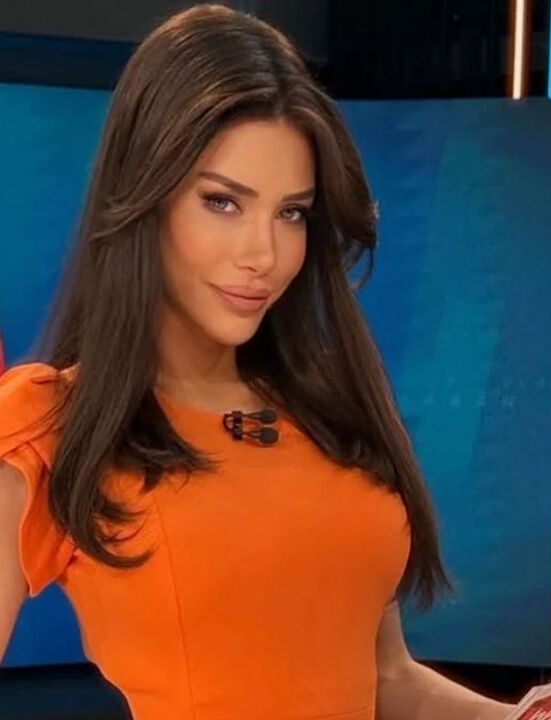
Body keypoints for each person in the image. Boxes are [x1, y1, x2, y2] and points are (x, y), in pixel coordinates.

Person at [0, 5, 512, 719]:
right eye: (222, 202)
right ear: (143, 195)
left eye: (291, 212)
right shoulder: (53, 426)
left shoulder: (331, 406)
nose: (263, 255)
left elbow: (390, 681)